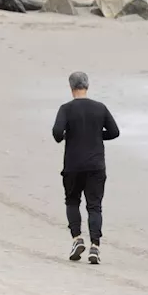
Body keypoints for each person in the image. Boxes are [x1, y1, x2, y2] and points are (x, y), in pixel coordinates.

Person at [52, 71, 119, 265]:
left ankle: (77, 238)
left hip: (73, 164)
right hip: (96, 165)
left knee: (72, 201)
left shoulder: (65, 109)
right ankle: (95, 247)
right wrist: (97, 136)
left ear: (71, 87)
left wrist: (68, 135)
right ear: (87, 86)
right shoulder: (100, 108)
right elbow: (114, 132)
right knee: (94, 206)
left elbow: (57, 133)